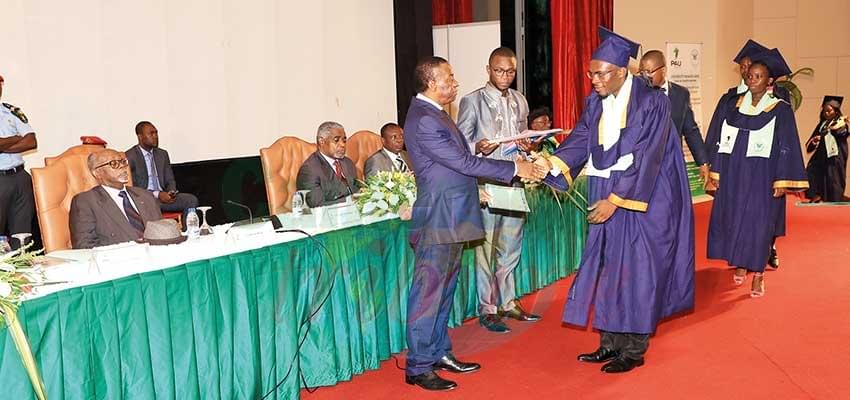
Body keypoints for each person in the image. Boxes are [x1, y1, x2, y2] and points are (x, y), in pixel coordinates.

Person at [533, 27, 695, 374]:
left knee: (636, 269)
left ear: (622, 71)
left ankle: (633, 349)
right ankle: (609, 342)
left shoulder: (653, 102)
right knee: (608, 266)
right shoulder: (595, 102)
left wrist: (616, 199)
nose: (594, 80)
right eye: (591, 73)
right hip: (605, 188)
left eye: (600, 73)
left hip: (642, 198)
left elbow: (648, 157)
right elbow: (580, 139)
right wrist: (552, 163)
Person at [402, 56, 546, 391]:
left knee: (444, 291)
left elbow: (454, 167)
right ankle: (418, 366)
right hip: (438, 217)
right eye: (448, 78)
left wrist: (476, 189)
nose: (454, 82)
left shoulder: (438, 114)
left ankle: (438, 352)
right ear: (430, 82)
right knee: (428, 294)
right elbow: (463, 161)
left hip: (452, 215)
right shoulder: (424, 118)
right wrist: (513, 170)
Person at [705, 48, 808, 297]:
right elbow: (721, 139)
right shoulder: (733, 106)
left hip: (763, 176)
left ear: (769, 80)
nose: (752, 79)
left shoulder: (780, 109)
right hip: (735, 174)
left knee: (759, 225)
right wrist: (715, 172)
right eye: (750, 75)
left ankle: (758, 274)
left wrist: (781, 179)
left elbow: (787, 146)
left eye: (758, 76)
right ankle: (741, 263)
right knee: (737, 220)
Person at [456, 46, 540, 333]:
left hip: (514, 182)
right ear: (488, 70)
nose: (505, 76)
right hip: (486, 184)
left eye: (511, 71)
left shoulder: (520, 100)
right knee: (486, 250)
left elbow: (523, 138)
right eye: (499, 70)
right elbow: (459, 148)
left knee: (511, 247)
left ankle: (508, 302)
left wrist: (529, 146)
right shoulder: (472, 102)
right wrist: (477, 147)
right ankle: (488, 308)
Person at [639, 50, 710, 180]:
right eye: (642, 72)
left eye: (649, 72)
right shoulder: (638, 96)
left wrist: (703, 162)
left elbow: (690, 130)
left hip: (672, 164)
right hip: (644, 167)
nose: (645, 76)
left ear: (664, 70)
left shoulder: (681, 94)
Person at [70, 149, 162, 248]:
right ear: (97, 173)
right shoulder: (85, 202)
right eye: (113, 163)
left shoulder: (145, 195)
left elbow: (163, 232)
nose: (123, 167)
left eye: (123, 162)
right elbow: (85, 246)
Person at [126, 121, 198, 224]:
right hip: (145, 201)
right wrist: (157, 194)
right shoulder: (130, 156)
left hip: (164, 198)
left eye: (156, 133)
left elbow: (170, 179)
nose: (155, 136)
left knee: (191, 200)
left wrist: (171, 193)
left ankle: (188, 233)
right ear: (140, 137)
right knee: (147, 204)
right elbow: (132, 188)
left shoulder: (162, 154)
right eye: (151, 133)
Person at [0, 74, 37, 245]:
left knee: (22, 231)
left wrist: (3, 145)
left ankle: (21, 263)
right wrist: (16, 137)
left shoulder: (11, 111)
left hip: (20, 177)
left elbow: (31, 141)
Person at [296, 121, 360, 207]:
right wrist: (351, 200)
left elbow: (358, 190)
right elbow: (317, 206)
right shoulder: (309, 170)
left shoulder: (347, 163)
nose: (342, 145)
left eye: (344, 140)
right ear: (322, 141)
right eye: (336, 140)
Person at [805, 96, 848, 202]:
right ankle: (816, 195)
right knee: (811, 170)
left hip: (835, 155)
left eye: (829, 111)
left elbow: (842, 133)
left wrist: (834, 128)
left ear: (836, 111)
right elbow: (811, 142)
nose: (826, 113)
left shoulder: (840, 122)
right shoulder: (822, 124)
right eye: (824, 111)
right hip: (821, 154)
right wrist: (815, 140)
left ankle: (835, 200)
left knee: (833, 178)